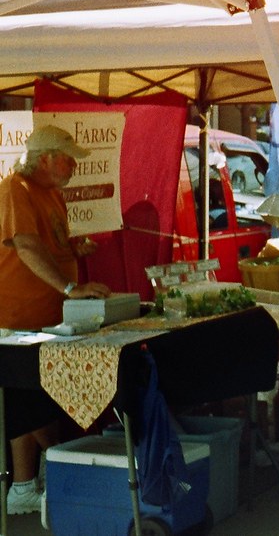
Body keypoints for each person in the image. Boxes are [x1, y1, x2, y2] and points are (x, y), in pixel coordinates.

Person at [0, 125, 112, 515]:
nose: (74, 166)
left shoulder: (49, 194)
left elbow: (46, 244)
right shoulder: (17, 187)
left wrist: (74, 248)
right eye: (68, 158)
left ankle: (28, 483)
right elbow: (26, 246)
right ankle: (57, 467)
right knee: (27, 400)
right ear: (45, 157)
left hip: (47, 317)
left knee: (33, 398)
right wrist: (69, 287)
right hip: (18, 317)